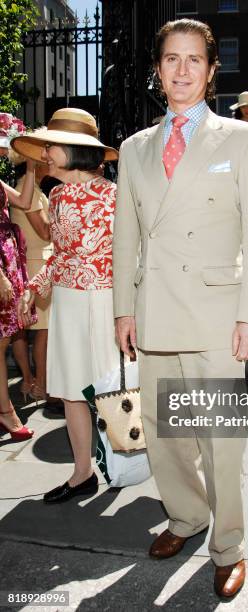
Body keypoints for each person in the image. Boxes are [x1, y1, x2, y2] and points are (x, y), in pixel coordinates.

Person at [113, 18, 248, 599]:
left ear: (211, 71)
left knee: (219, 438)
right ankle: (185, 516)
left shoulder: (241, 139)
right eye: (171, 59)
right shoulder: (134, 150)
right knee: (164, 434)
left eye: (193, 60)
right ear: (158, 70)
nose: (181, 70)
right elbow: (126, 237)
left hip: (216, 314)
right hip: (155, 310)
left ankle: (228, 544)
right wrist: (123, 311)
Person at [13, 107, 119, 503]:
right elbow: (59, 254)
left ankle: (133, 462)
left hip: (107, 301)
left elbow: (130, 254)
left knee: (113, 390)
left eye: (51, 145)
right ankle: (82, 474)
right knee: (73, 391)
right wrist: (33, 286)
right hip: (69, 303)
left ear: (75, 150)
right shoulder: (55, 195)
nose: (44, 153)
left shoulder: (113, 194)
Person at [9, 147, 53, 402]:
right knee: (43, 331)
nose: (50, 161)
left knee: (22, 331)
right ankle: (40, 385)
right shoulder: (32, 191)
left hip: (28, 261)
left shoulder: (22, 188)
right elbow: (45, 232)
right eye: (45, 157)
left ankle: (28, 382)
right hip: (38, 263)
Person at [0, 136, 37, 442]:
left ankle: (4, 409)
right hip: (1, 267)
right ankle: (5, 411)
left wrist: (32, 168)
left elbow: (24, 202)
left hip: (7, 260)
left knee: (4, 340)